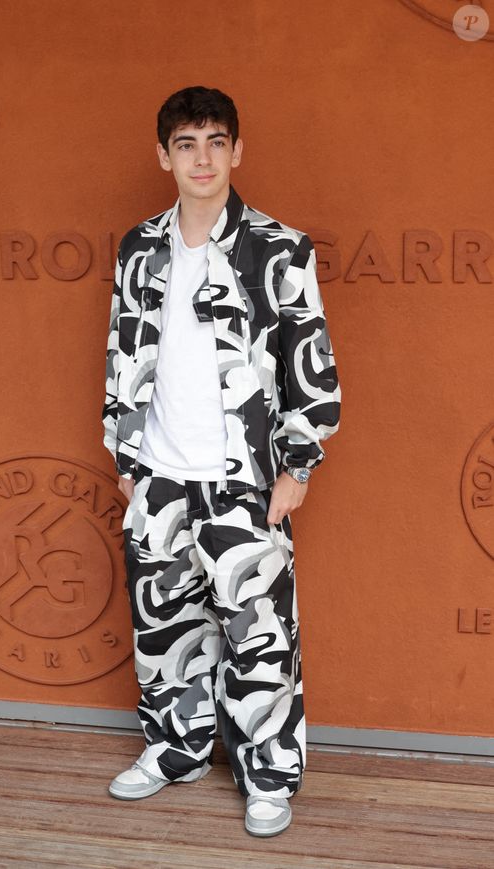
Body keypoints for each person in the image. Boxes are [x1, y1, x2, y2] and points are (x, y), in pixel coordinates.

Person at [102, 85, 341, 837]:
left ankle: (268, 774)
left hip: (244, 480)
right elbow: (121, 353)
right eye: (185, 144)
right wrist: (127, 455)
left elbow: (312, 364)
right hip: (161, 478)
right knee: (163, 627)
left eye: (214, 142)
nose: (201, 158)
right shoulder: (139, 247)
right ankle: (175, 748)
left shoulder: (278, 247)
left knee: (258, 633)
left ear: (236, 151)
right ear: (163, 156)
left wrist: (298, 467)